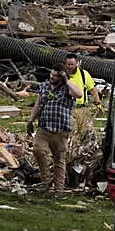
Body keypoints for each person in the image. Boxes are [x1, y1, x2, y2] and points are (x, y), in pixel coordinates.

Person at [27, 64, 83, 195]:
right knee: (38, 149)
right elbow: (37, 104)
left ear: (62, 77)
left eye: (56, 76)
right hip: (44, 128)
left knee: (59, 160)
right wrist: (31, 120)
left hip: (61, 130)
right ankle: (46, 181)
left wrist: (67, 80)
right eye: (51, 75)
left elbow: (79, 94)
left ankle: (58, 190)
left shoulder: (67, 89)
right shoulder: (44, 86)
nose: (52, 77)